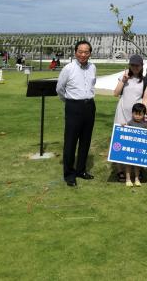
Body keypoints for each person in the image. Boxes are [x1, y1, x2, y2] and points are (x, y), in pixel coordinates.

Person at [56, 40, 96, 187]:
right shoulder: (68, 68)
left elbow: (92, 85)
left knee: (86, 140)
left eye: (86, 52)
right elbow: (60, 88)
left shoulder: (93, 67)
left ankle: (81, 170)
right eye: (80, 51)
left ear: (90, 53)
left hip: (89, 106)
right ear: (75, 52)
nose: (83, 54)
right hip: (73, 106)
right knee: (71, 141)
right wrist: (68, 102)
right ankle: (69, 174)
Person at [113, 54, 147, 181]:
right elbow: (115, 93)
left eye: (137, 65)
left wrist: (143, 114)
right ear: (129, 65)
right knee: (120, 140)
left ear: (141, 66)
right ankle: (120, 170)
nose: (135, 67)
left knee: (136, 143)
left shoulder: (146, 80)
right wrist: (123, 81)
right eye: (132, 65)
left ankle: (137, 170)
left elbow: (145, 98)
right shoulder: (124, 77)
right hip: (122, 112)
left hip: (137, 115)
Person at [125, 103, 147, 187]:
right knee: (128, 163)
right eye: (136, 114)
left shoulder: (145, 124)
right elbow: (124, 133)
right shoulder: (130, 123)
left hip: (139, 148)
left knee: (137, 164)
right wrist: (123, 126)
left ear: (144, 115)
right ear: (132, 113)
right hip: (130, 147)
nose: (137, 116)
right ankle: (128, 179)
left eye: (140, 114)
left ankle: (137, 178)